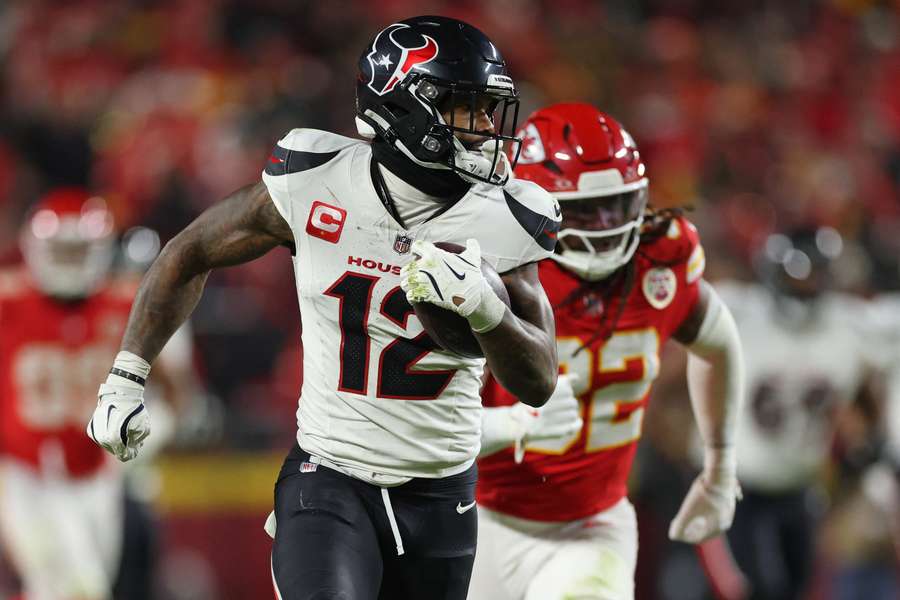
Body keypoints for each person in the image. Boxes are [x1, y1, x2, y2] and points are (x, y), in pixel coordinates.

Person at [87, 15, 561, 600]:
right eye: (468, 108)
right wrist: (125, 376)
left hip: (442, 494)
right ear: (406, 107)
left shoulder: (507, 215)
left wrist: (487, 310)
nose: (487, 127)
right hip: (330, 477)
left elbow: (538, 380)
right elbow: (188, 253)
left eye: (489, 109)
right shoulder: (315, 180)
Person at [468, 103, 744, 600]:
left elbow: (720, 342)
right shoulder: (492, 266)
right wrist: (515, 424)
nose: (603, 226)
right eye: (582, 210)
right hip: (478, 514)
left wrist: (720, 464)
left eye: (616, 206)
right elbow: (426, 424)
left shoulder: (660, 260)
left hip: (593, 526)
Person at [0, 188, 194, 600]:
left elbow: (178, 390)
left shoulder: (127, 302)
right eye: (62, 250)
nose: (70, 261)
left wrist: (151, 433)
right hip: (22, 472)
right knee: (70, 586)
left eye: (78, 250)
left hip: (99, 475)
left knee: (84, 586)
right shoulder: (8, 301)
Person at [717, 226, 874, 600]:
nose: (807, 284)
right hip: (739, 487)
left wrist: (864, 443)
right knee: (757, 589)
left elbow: (865, 400)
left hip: (803, 487)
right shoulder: (739, 313)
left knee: (796, 589)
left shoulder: (846, 326)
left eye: (815, 274)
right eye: (798, 275)